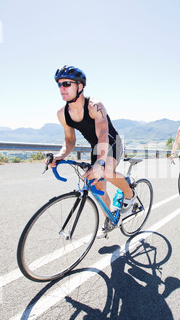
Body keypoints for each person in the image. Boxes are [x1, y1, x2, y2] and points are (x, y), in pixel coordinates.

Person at [48, 65, 136, 235]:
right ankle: (110, 218)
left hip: (111, 143)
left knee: (106, 172)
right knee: (98, 188)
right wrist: (59, 156)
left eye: (66, 84)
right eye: (59, 84)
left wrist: (101, 163)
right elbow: (70, 140)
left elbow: (103, 133)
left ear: (80, 86)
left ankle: (129, 193)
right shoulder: (62, 113)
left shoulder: (95, 106)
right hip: (96, 148)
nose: (61, 88)